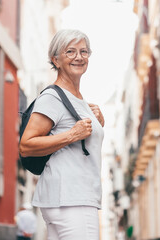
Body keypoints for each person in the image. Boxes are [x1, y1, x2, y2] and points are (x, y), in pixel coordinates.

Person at [19, 29, 105, 240]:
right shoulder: (52, 97)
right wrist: (71, 135)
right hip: (72, 200)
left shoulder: (78, 100)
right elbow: (26, 144)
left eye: (84, 51)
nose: (79, 57)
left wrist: (98, 123)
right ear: (55, 60)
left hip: (69, 199)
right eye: (70, 51)